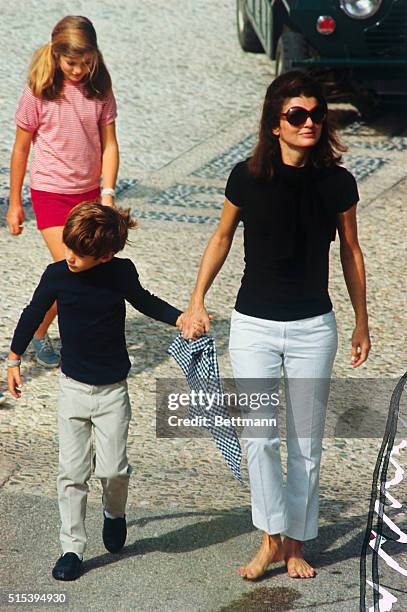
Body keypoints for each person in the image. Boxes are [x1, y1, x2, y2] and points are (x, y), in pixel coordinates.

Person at [178, 71, 371, 580]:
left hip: (314, 327)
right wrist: (197, 300)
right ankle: (269, 538)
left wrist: (361, 320)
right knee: (259, 437)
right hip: (253, 326)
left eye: (315, 114)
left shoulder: (338, 183)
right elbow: (220, 238)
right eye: (296, 115)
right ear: (274, 124)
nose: (308, 122)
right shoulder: (246, 177)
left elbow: (351, 252)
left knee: (306, 442)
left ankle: (296, 543)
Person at [7, 202, 185, 581]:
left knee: (114, 470)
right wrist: (13, 358)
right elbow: (32, 312)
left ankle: (114, 512)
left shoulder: (120, 273)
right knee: (71, 472)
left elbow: (145, 300)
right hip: (72, 389)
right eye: (68, 248)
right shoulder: (57, 275)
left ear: (105, 255)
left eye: (79, 253)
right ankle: (72, 546)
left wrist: (180, 318)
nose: (69, 257)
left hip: (112, 394)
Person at [6, 15, 119, 367]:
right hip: (50, 194)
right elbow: (21, 149)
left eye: (87, 62)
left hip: (88, 195)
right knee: (72, 267)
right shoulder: (37, 91)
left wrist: (108, 193)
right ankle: (49, 338)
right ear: (56, 55)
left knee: (87, 268)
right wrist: (14, 203)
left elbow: (110, 145)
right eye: (72, 62)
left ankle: (42, 330)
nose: (79, 70)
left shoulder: (99, 88)